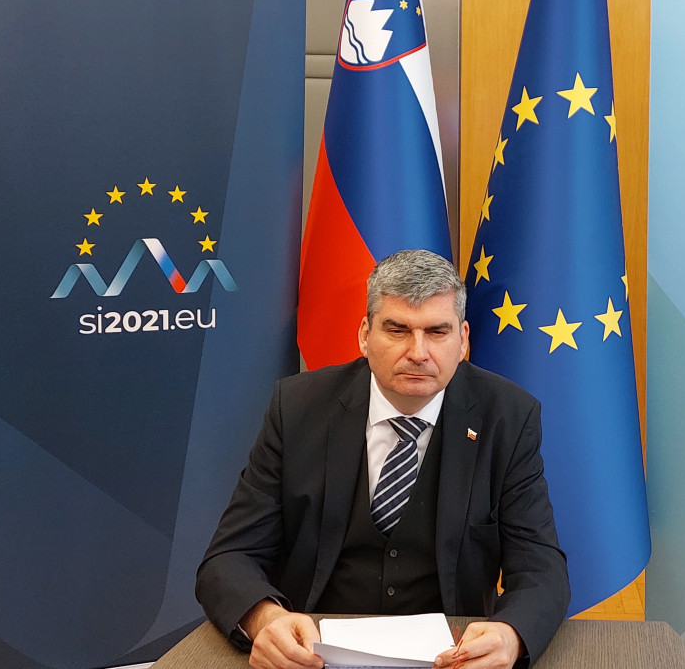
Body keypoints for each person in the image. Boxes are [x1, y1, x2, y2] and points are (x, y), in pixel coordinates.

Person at [196, 249, 569, 669]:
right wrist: (267, 619)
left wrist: (510, 633)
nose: (418, 351)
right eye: (397, 330)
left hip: (454, 657)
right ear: (363, 335)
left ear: (463, 340)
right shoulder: (299, 408)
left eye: (437, 332)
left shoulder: (508, 417)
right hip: (311, 653)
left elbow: (542, 568)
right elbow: (228, 558)